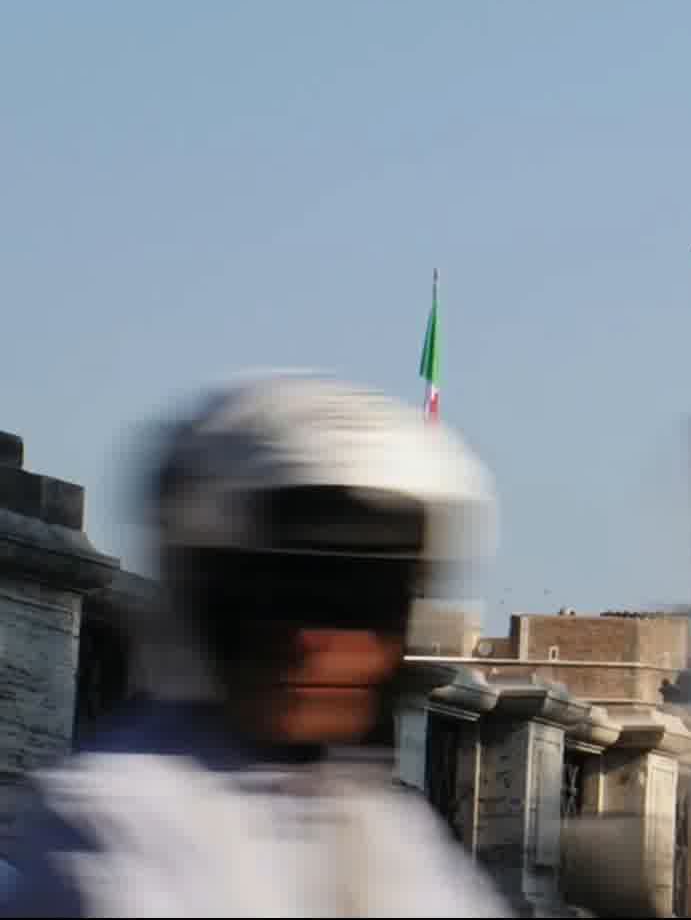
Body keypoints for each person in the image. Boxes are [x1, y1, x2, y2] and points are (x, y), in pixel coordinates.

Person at [0, 376, 509, 917]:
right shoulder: (111, 824)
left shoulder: (389, 830)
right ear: (206, 603)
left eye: (364, 602)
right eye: (279, 596)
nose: (315, 641)